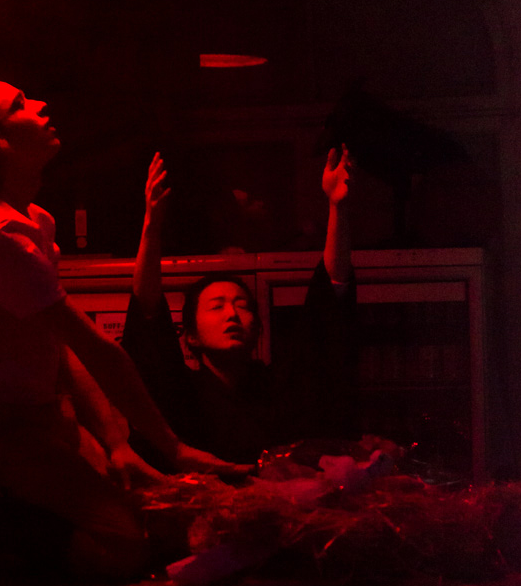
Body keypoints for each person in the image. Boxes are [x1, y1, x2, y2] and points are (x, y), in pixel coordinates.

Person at [0, 64, 236, 582]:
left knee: (153, 523)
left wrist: (117, 444)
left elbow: (58, 348)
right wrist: (172, 446)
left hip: (34, 416)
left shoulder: (35, 220)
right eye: (18, 105)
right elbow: (96, 347)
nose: (40, 105)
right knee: (122, 548)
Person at [120, 147, 357, 466]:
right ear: (190, 335)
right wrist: (152, 226)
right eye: (216, 306)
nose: (231, 314)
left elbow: (326, 312)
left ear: (258, 329)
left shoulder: (281, 390)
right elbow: (148, 314)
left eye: (241, 305)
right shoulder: (180, 395)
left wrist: (338, 208)